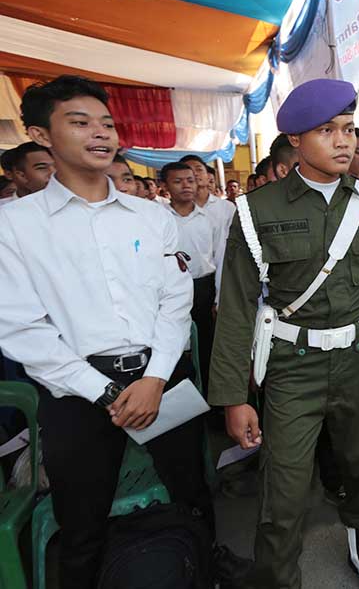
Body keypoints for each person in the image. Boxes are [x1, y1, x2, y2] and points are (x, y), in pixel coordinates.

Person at [0, 75, 247, 588]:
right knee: (81, 517)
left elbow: (176, 300)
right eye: (80, 122)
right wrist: (109, 393)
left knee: (193, 491)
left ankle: (205, 565)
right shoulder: (15, 226)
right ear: (41, 135)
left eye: (107, 123)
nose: (100, 133)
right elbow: (24, 330)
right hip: (77, 392)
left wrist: (155, 380)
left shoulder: (149, 216)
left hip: (161, 376)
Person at [211, 78, 359, 589]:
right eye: (327, 130)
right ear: (294, 140)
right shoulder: (255, 212)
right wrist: (232, 398)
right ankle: (278, 579)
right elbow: (237, 311)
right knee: (285, 490)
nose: (343, 142)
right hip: (292, 367)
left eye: (349, 129)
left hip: (358, 358)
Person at [162, 162, 227, 395]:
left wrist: (218, 297)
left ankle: (210, 398)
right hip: (170, 290)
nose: (186, 186)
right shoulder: (159, 217)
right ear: (165, 186)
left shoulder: (208, 219)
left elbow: (220, 258)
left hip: (204, 288)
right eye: (177, 181)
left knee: (208, 345)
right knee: (175, 343)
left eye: (189, 180)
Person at [181, 154, 237, 253]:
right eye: (189, 170)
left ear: (208, 176)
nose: (195, 174)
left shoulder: (227, 207)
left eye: (199, 169)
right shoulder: (175, 211)